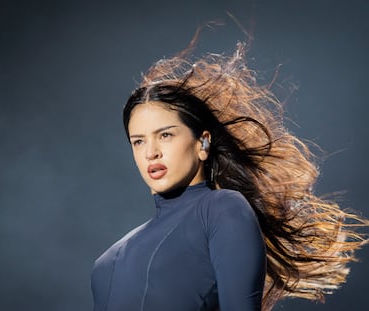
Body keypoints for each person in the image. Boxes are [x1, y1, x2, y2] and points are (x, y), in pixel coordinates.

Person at [90, 38, 368, 311]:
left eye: (165, 135)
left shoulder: (222, 210)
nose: (151, 152)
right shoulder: (104, 266)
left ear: (203, 143)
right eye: (138, 141)